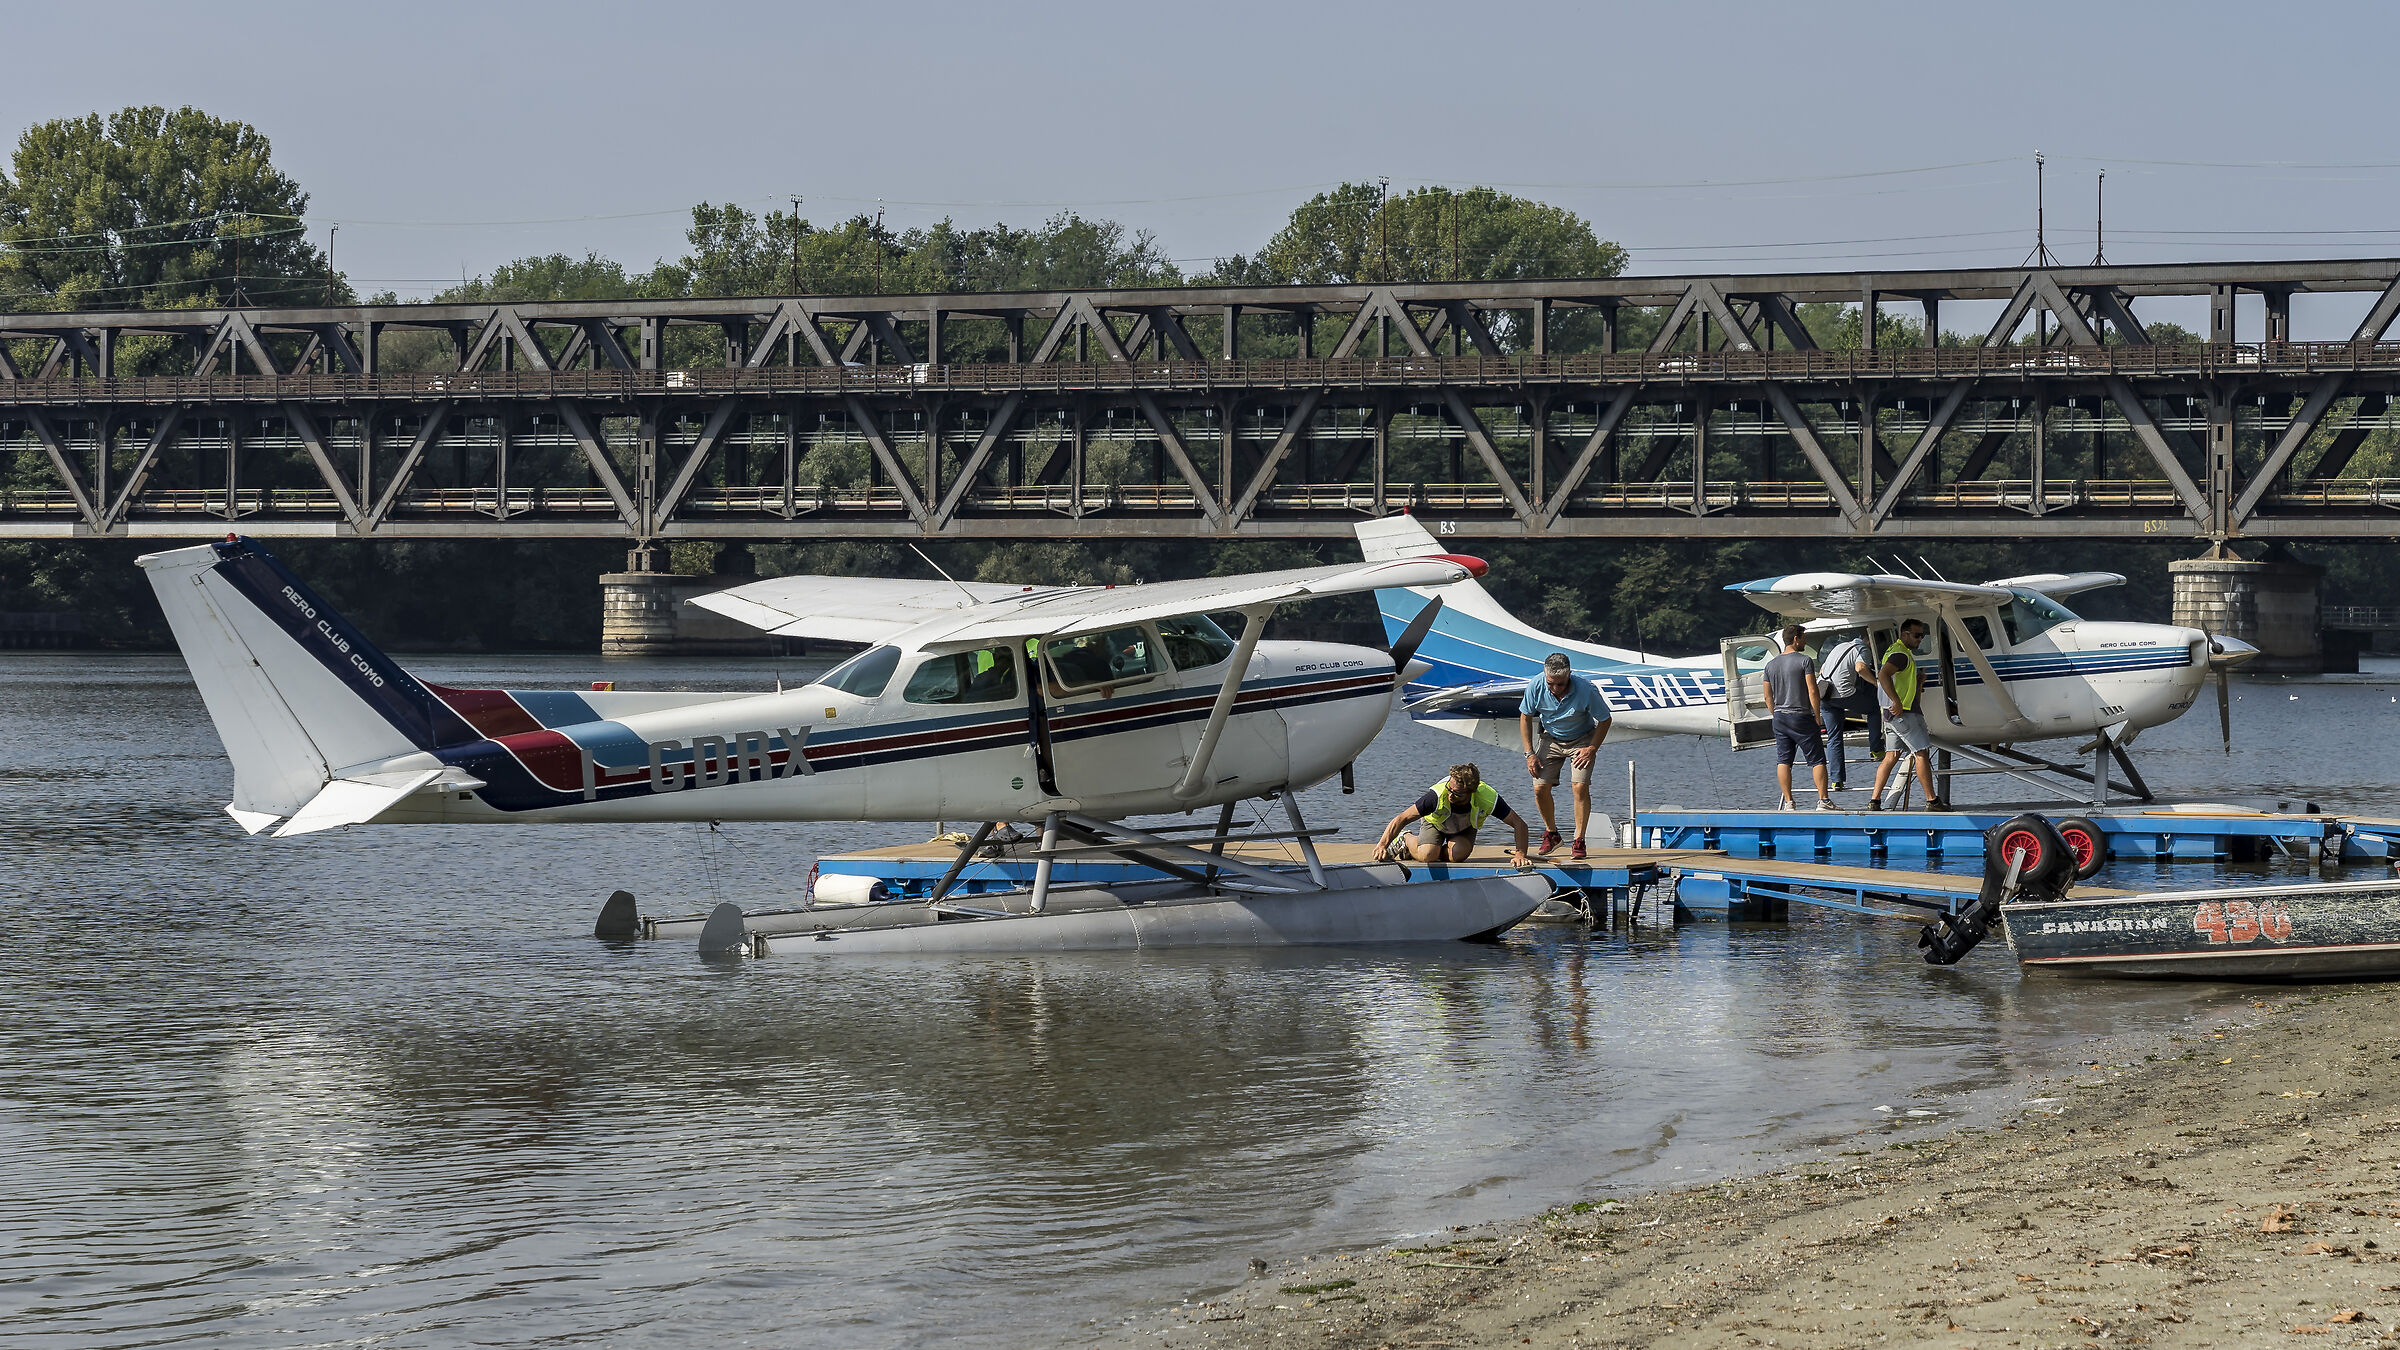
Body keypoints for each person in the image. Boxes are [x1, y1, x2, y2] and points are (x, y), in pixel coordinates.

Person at [1518, 652, 1611, 860]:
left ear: (1569, 675)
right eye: (1551, 684)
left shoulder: (1586, 690)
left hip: (1582, 740)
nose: (1555, 689)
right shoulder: (1536, 686)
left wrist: (1592, 748)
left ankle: (1579, 840)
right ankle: (1552, 834)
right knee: (1539, 787)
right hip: (1550, 739)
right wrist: (1529, 753)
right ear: (1545, 677)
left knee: (1579, 786)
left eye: (1561, 684)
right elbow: (1525, 717)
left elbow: (1605, 720)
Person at [1372, 763, 1533, 867]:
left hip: (1464, 828)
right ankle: (1406, 839)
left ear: (1471, 792)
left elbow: (1519, 824)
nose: (1450, 795)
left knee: (1457, 856)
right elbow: (1403, 818)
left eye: (1456, 794)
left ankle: (1431, 849)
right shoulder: (1436, 795)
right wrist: (1382, 845)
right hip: (1435, 824)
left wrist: (1520, 855)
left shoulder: (1487, 798)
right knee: (1428, 856)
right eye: (1449, 788)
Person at [1868, 618, 1946, 811]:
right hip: (1904, 714)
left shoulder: (1897, 652)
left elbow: (1895, 680)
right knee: (1921, 752)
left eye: (1922, 635)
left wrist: (1918, 683)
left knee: (1891, 756)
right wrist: (1896, 701)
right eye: (1917, 635)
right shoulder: (1900, 654)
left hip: (1892, 715)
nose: (1920, 639)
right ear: (1904, 634)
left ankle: (1874, 801)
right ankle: (1931, 800)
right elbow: (1883, 675)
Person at [1763, 625, 1832, 811]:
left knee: (1784, 760)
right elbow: (1812, 690)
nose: (1805, 641)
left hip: (1779, 717)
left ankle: (1789, 802)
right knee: (1818, 760)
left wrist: (1775, 713)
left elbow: (1767, 696)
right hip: (1801, 716)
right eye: (1803, 638)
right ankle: (1823, 801)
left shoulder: (1770, 665)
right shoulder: (1805, 661)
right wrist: (1817, 716)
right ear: (1795, 639)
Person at [1814, 629, 1884, 790]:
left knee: (1834, 737)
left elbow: (1822, 670)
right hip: (1843, 693)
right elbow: (1860, 669)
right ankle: (1876, 750)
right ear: (1871, 641)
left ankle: (1836, 780)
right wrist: (1876, 683)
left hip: (1824, 694)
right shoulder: (1863, 649)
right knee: (1873, 708)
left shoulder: (1840, 646)